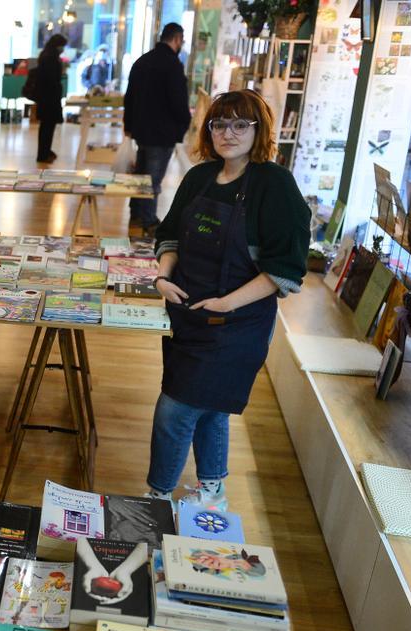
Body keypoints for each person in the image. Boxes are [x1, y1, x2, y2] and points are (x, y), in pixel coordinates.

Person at [147, 90, 310, 510]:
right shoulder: (199, 178)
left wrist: (226, 303)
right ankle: (213, 490)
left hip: (238, 326)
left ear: (260, 130)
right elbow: (168, 233)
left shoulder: (274, 185)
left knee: (176, 411)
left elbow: (285, 269)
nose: (228, 133)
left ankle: (158, 497)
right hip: (190, 319)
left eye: (241, 124)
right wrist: (164, 275)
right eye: (219, 124)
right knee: (211, 407)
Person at [123, 23, 193, 233]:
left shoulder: (142, 61)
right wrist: (184, 124)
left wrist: (128, 125)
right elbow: (178, 101)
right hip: (162, 133)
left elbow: (129, 97)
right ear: (177, 39)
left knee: (141, 176)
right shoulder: (172, 64)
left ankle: (136, 214)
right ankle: (148, 220)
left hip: (141, 131)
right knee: (152, 179)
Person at [34, 34, 68, 163]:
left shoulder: (46, 55)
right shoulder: (50, 57)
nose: (62, 49)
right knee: (47, 127)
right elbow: (51, 79)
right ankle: (43, 154)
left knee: (46, 127)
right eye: (62, 46)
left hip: (46, 98)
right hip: (49, 98)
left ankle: (45, 151)